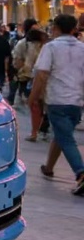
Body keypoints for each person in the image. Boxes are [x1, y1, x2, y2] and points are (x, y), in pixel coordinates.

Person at [29, 14, 84, 195]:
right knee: (62, 134)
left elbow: (42, 74)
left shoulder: (51, 47)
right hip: (77, 101)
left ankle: (81, 173)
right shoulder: (82, 48)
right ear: (74, 29)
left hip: (57, 100)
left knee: (66, 138)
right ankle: (49, 167)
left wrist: (33, 97)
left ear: (56, 28)